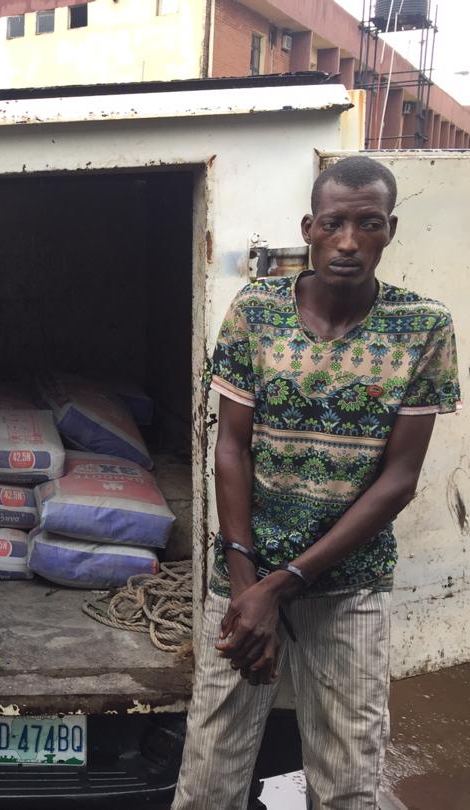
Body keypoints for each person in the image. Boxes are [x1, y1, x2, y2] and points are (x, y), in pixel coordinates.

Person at [172, 156, 461, 810]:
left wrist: (284, 584)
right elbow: (231, 449)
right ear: (310, 228)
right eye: (333, 224)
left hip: (348, 583)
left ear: (390, 230)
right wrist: (248, 590)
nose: (348, 242)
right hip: (244, 574)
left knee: (348, 782)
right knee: (209, 779)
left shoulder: (423, 326)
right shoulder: (257, 311)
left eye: (368, 224)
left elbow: (399, 481)